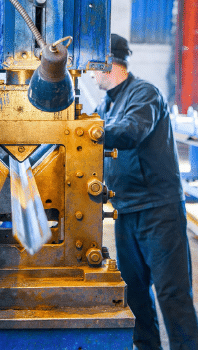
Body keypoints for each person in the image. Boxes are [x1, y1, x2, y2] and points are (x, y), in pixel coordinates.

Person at [91, 33, 198, 350]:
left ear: (106, 62)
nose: (90, 73)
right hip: (126, 213)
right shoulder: (105, 103)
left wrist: (85, 130)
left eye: (92, 66)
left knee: (171, 292)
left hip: (158, 213)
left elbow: (130, 132)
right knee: (134, 291)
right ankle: (147, 346)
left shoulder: (144, 94)